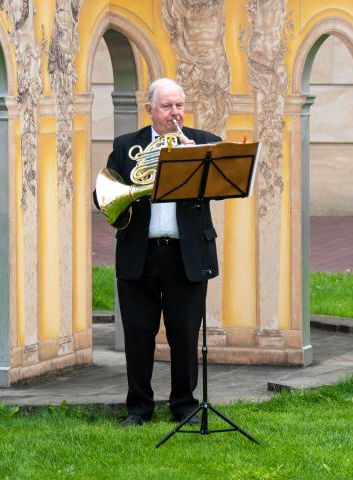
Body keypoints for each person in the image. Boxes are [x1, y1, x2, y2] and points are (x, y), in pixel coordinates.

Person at [103, 78, 221, 426]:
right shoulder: (127, 146)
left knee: (185, 335)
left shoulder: (203, 143)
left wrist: (192, 158)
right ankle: (139, 408)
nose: (176, 113)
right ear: (149, 109)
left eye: (180, 105)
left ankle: (184, 405)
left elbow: (219, 187)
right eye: (168, 106)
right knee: (138, 336)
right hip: (139, 253)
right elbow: (105, 197)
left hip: (186, 254)